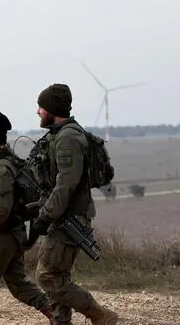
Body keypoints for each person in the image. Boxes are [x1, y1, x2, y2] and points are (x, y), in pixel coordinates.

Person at [30, 84, 120, 325]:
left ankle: (101, 315)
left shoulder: (68, 138)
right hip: (62, 214)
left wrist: (45, 216)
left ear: (51, 109)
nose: (38, 111)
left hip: (69, 217)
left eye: (41, 107)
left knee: (47, 276)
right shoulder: (58, 135)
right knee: (57, 276)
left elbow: (65, 185)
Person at [0, 111, 53, 325]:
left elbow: (2, 207)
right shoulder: (5, 162)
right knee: (20, 286)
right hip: (11, 235)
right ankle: (57, 316)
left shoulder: (0, 167)